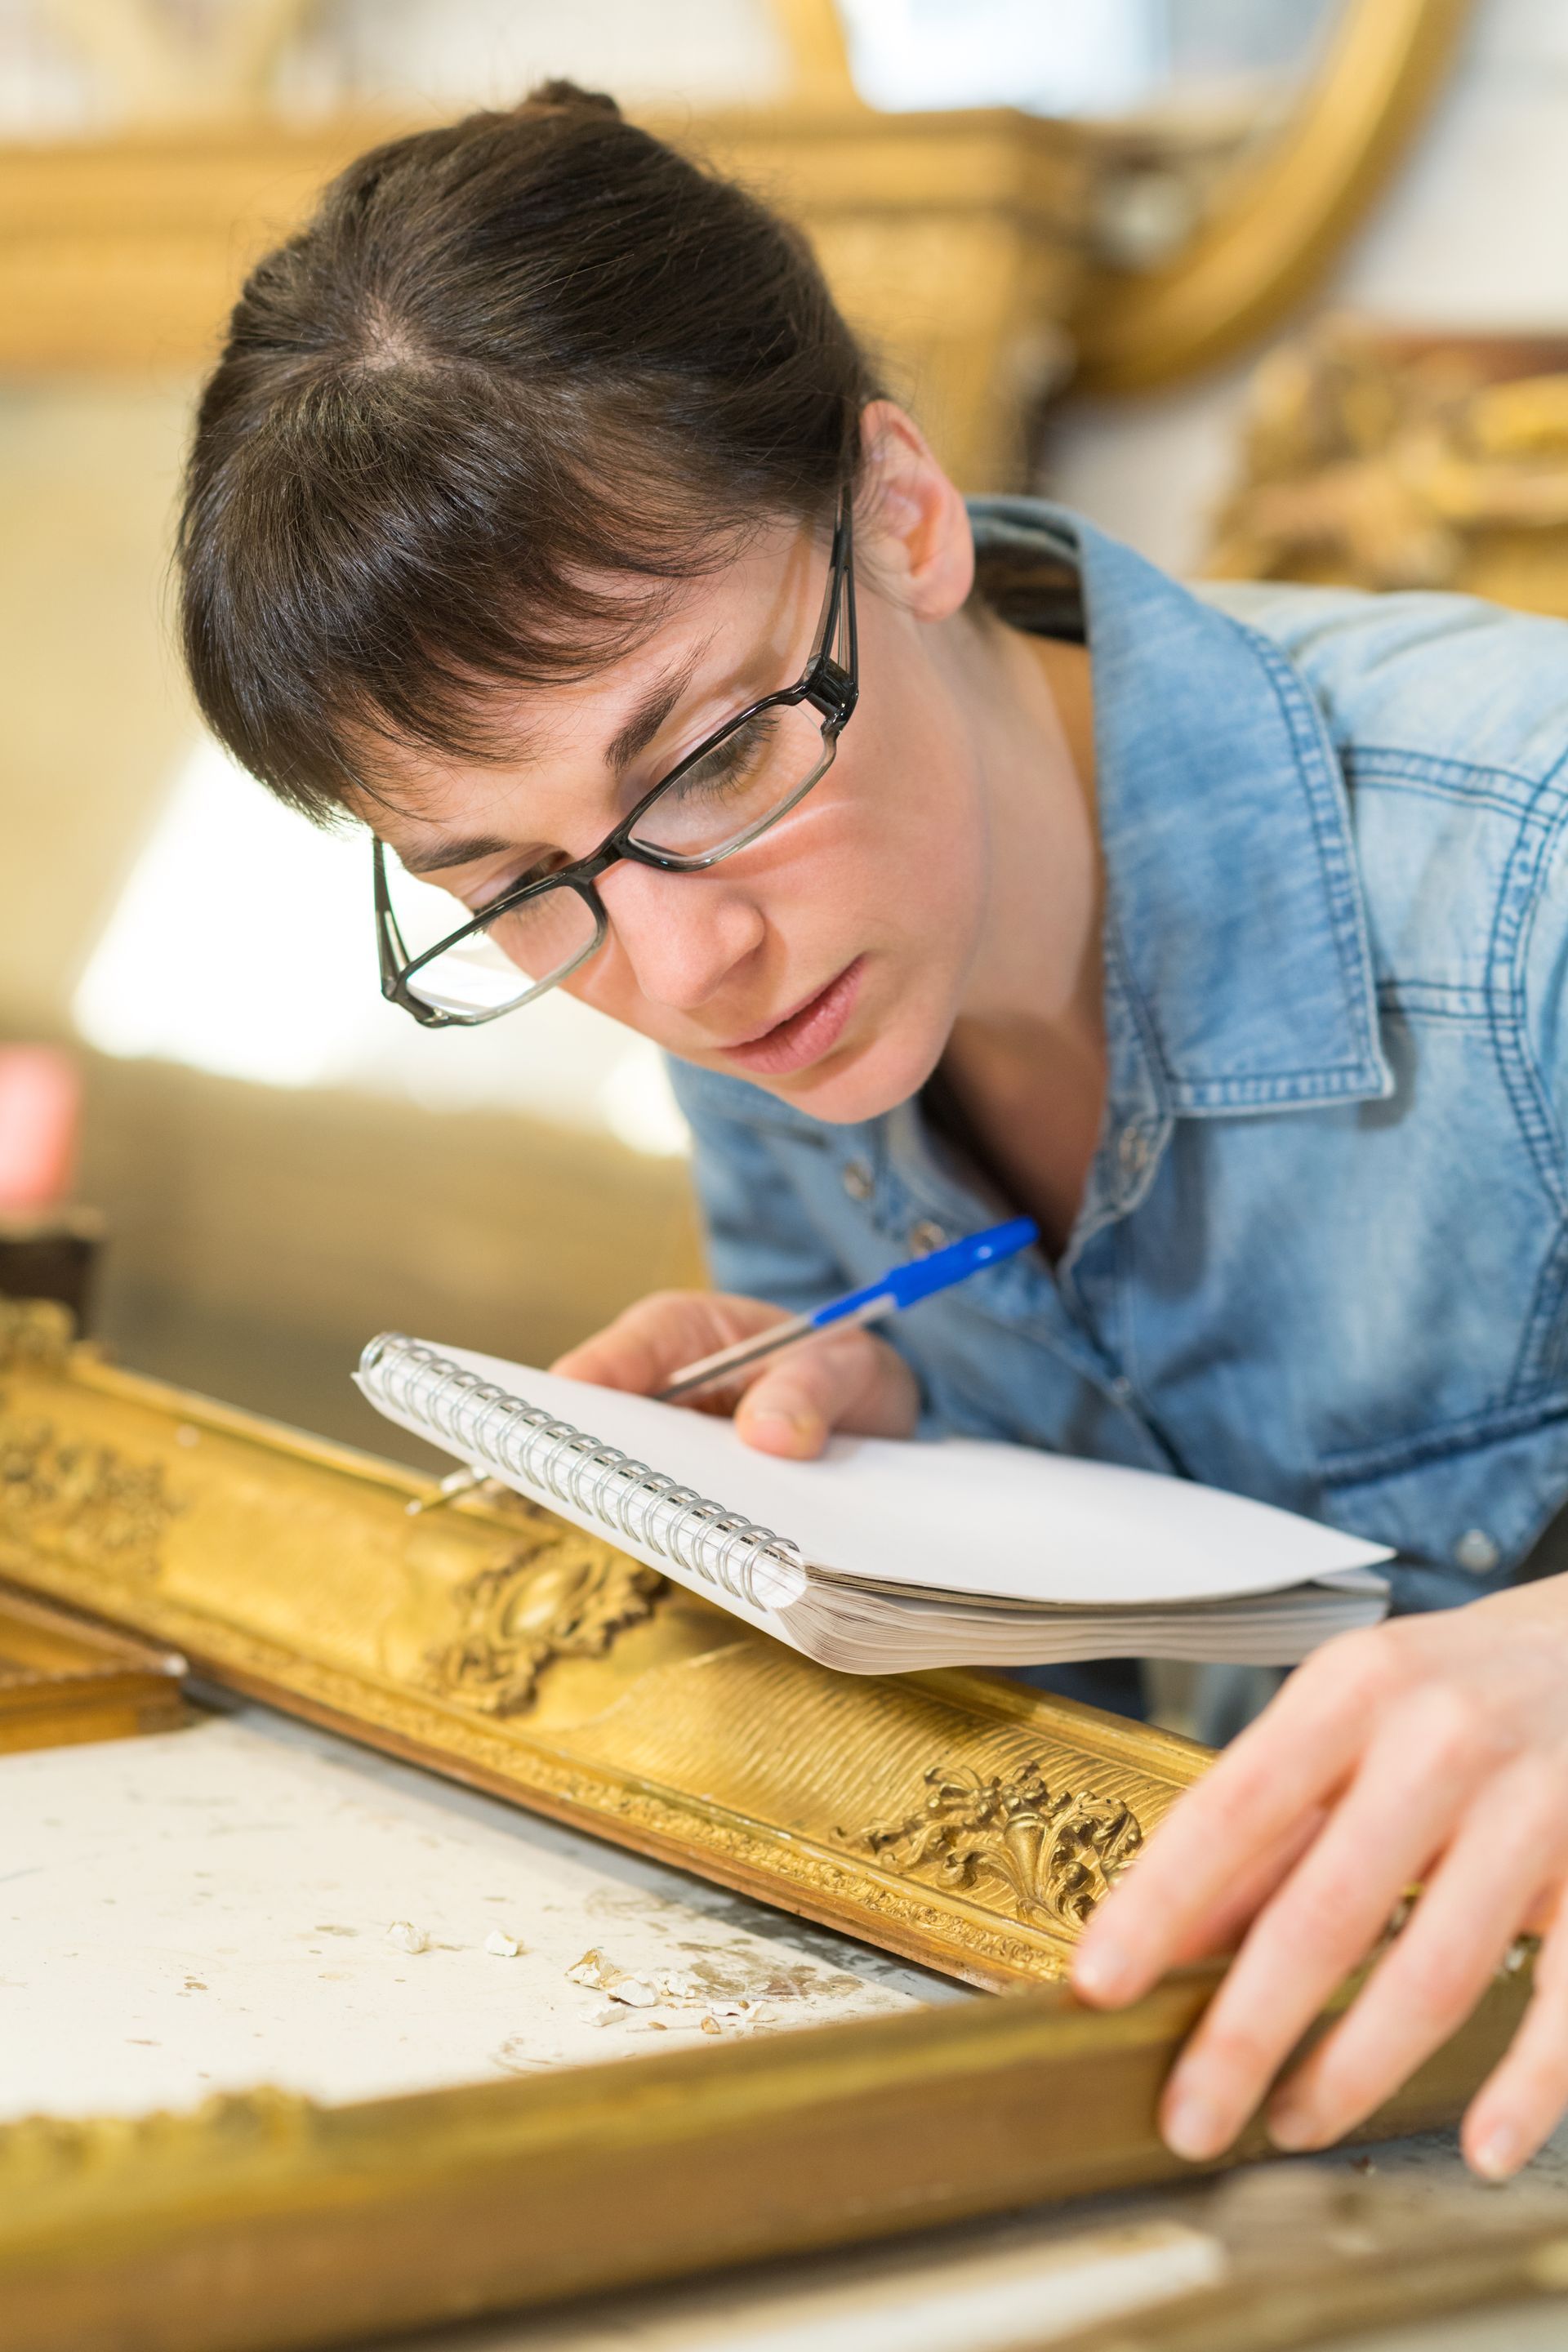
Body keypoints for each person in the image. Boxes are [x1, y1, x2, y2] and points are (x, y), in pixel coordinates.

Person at [177, 82, 1568, 2182]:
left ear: (902, 507)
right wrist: (902, 1511)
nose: (685, 971)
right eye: (506, 885)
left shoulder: (1527, 868)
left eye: (718, 750)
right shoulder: (716, 931)